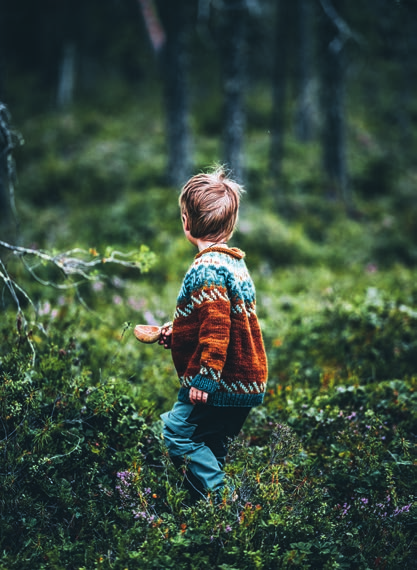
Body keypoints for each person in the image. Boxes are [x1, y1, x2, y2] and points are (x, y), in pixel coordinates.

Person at [159, 166, 268, 501]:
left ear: (186, 223)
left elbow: (218, 328)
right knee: (210, 446)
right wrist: (177, 332)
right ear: (230, 226)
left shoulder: (206, 267)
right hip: (244, 380)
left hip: (217, 381)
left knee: (177, 432)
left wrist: (205, 378)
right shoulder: (233, 263)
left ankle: (226, 502)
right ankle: (207, 520)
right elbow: (218, 320)